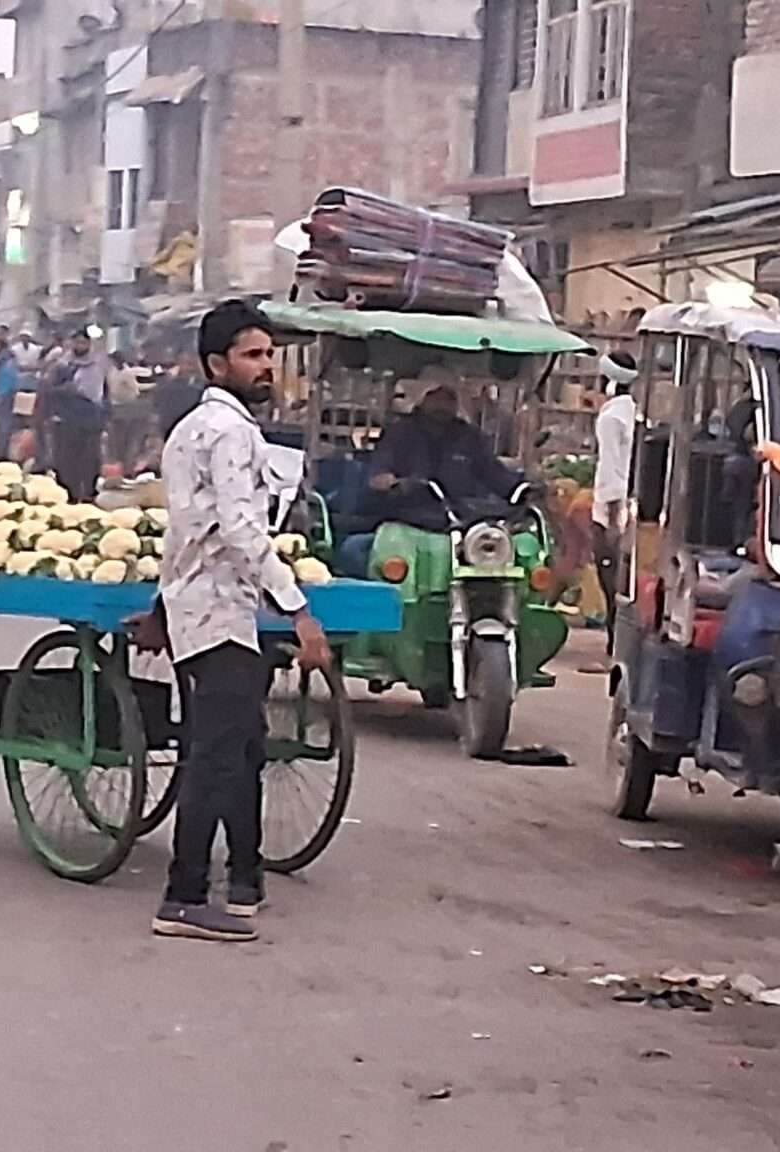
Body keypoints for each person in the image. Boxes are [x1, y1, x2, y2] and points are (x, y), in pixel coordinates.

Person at [140, 300, 330, 944]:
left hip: (215, 607)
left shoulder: (203, 429)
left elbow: (189, 530)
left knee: (242, 744)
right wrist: (298, 606)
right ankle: (184, 896)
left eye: (269, 355)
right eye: (252, 356)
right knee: (218, 755)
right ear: (217, 364)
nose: (266, 367)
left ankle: (244, 879)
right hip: (216, 610)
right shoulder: (225, 432)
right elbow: (239, 529)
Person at [366, 380, 520, 527]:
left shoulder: (469, 436)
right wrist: (387, 481)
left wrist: (521, 489)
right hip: (405, 520)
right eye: (436, 397)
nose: (443, 404)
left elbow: (493, 472)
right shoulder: (398, 432)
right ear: (422, 398)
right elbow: (380, 467)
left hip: (459, 521)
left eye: (449, 398)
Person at [591, 352, 638, 607]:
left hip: (611, 508)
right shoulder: (632, 411)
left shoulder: (610, 419)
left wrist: (610, 519)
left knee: (609, 571)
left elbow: (610, 467)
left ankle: (614, 631)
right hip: (626, 501)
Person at [46, 329, 111, 501]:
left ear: (89, 345)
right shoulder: (62, 366)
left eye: (83, 343)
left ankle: (89, 493)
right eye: (77, 342)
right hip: (67, 420)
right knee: (66, 460)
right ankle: (69, 495)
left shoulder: (98, 367)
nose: (80, 346)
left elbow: (104, 394)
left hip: (90, 421)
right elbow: (49, 391)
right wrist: (64, 391)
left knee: (90, 460)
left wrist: (105, 418)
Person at [0, 329, 23, 461]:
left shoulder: (7, 359)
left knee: (4, 426)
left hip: (3, 395)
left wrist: (0, 395)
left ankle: (2, 455)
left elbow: (7, 378)